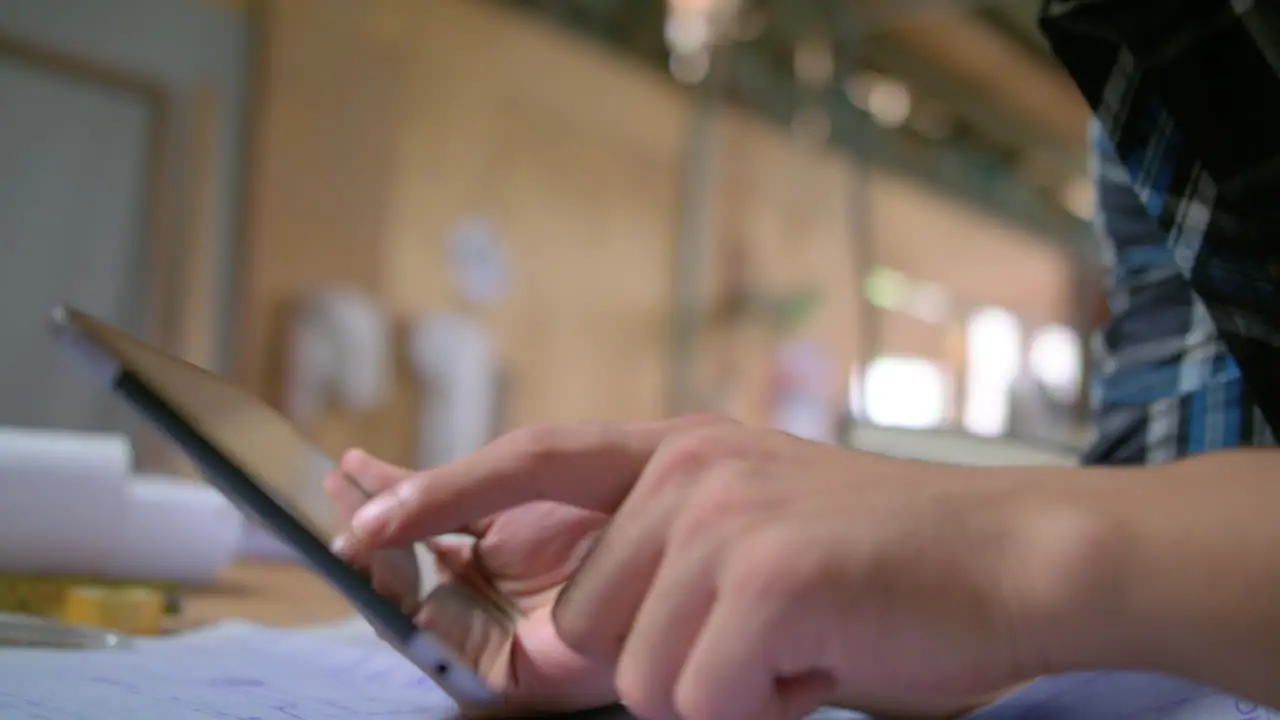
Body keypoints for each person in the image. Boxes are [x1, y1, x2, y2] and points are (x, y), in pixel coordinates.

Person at [325, 3, 1280, 718]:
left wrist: (1019, 553)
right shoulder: (1142, 54)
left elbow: (1120, 556)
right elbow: (1176, 508)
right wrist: (804, 618)